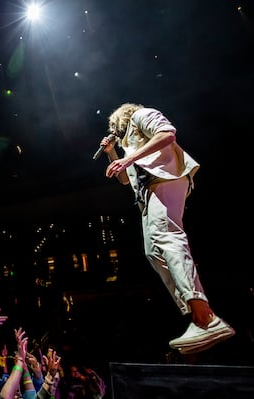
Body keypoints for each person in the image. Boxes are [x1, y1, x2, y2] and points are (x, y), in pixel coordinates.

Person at [98, 102, 235, 355]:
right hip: (147, 194)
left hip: (164, 182)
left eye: (113, 125)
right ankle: (196, 315)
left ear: (122, 117)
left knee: (167, 237)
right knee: (153, 251)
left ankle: (205, 317)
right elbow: (125, 179)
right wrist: (111, 153)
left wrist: (128, 157)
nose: (113, 130)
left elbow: (167, 133)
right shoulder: (129, 143)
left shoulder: (141, 115)